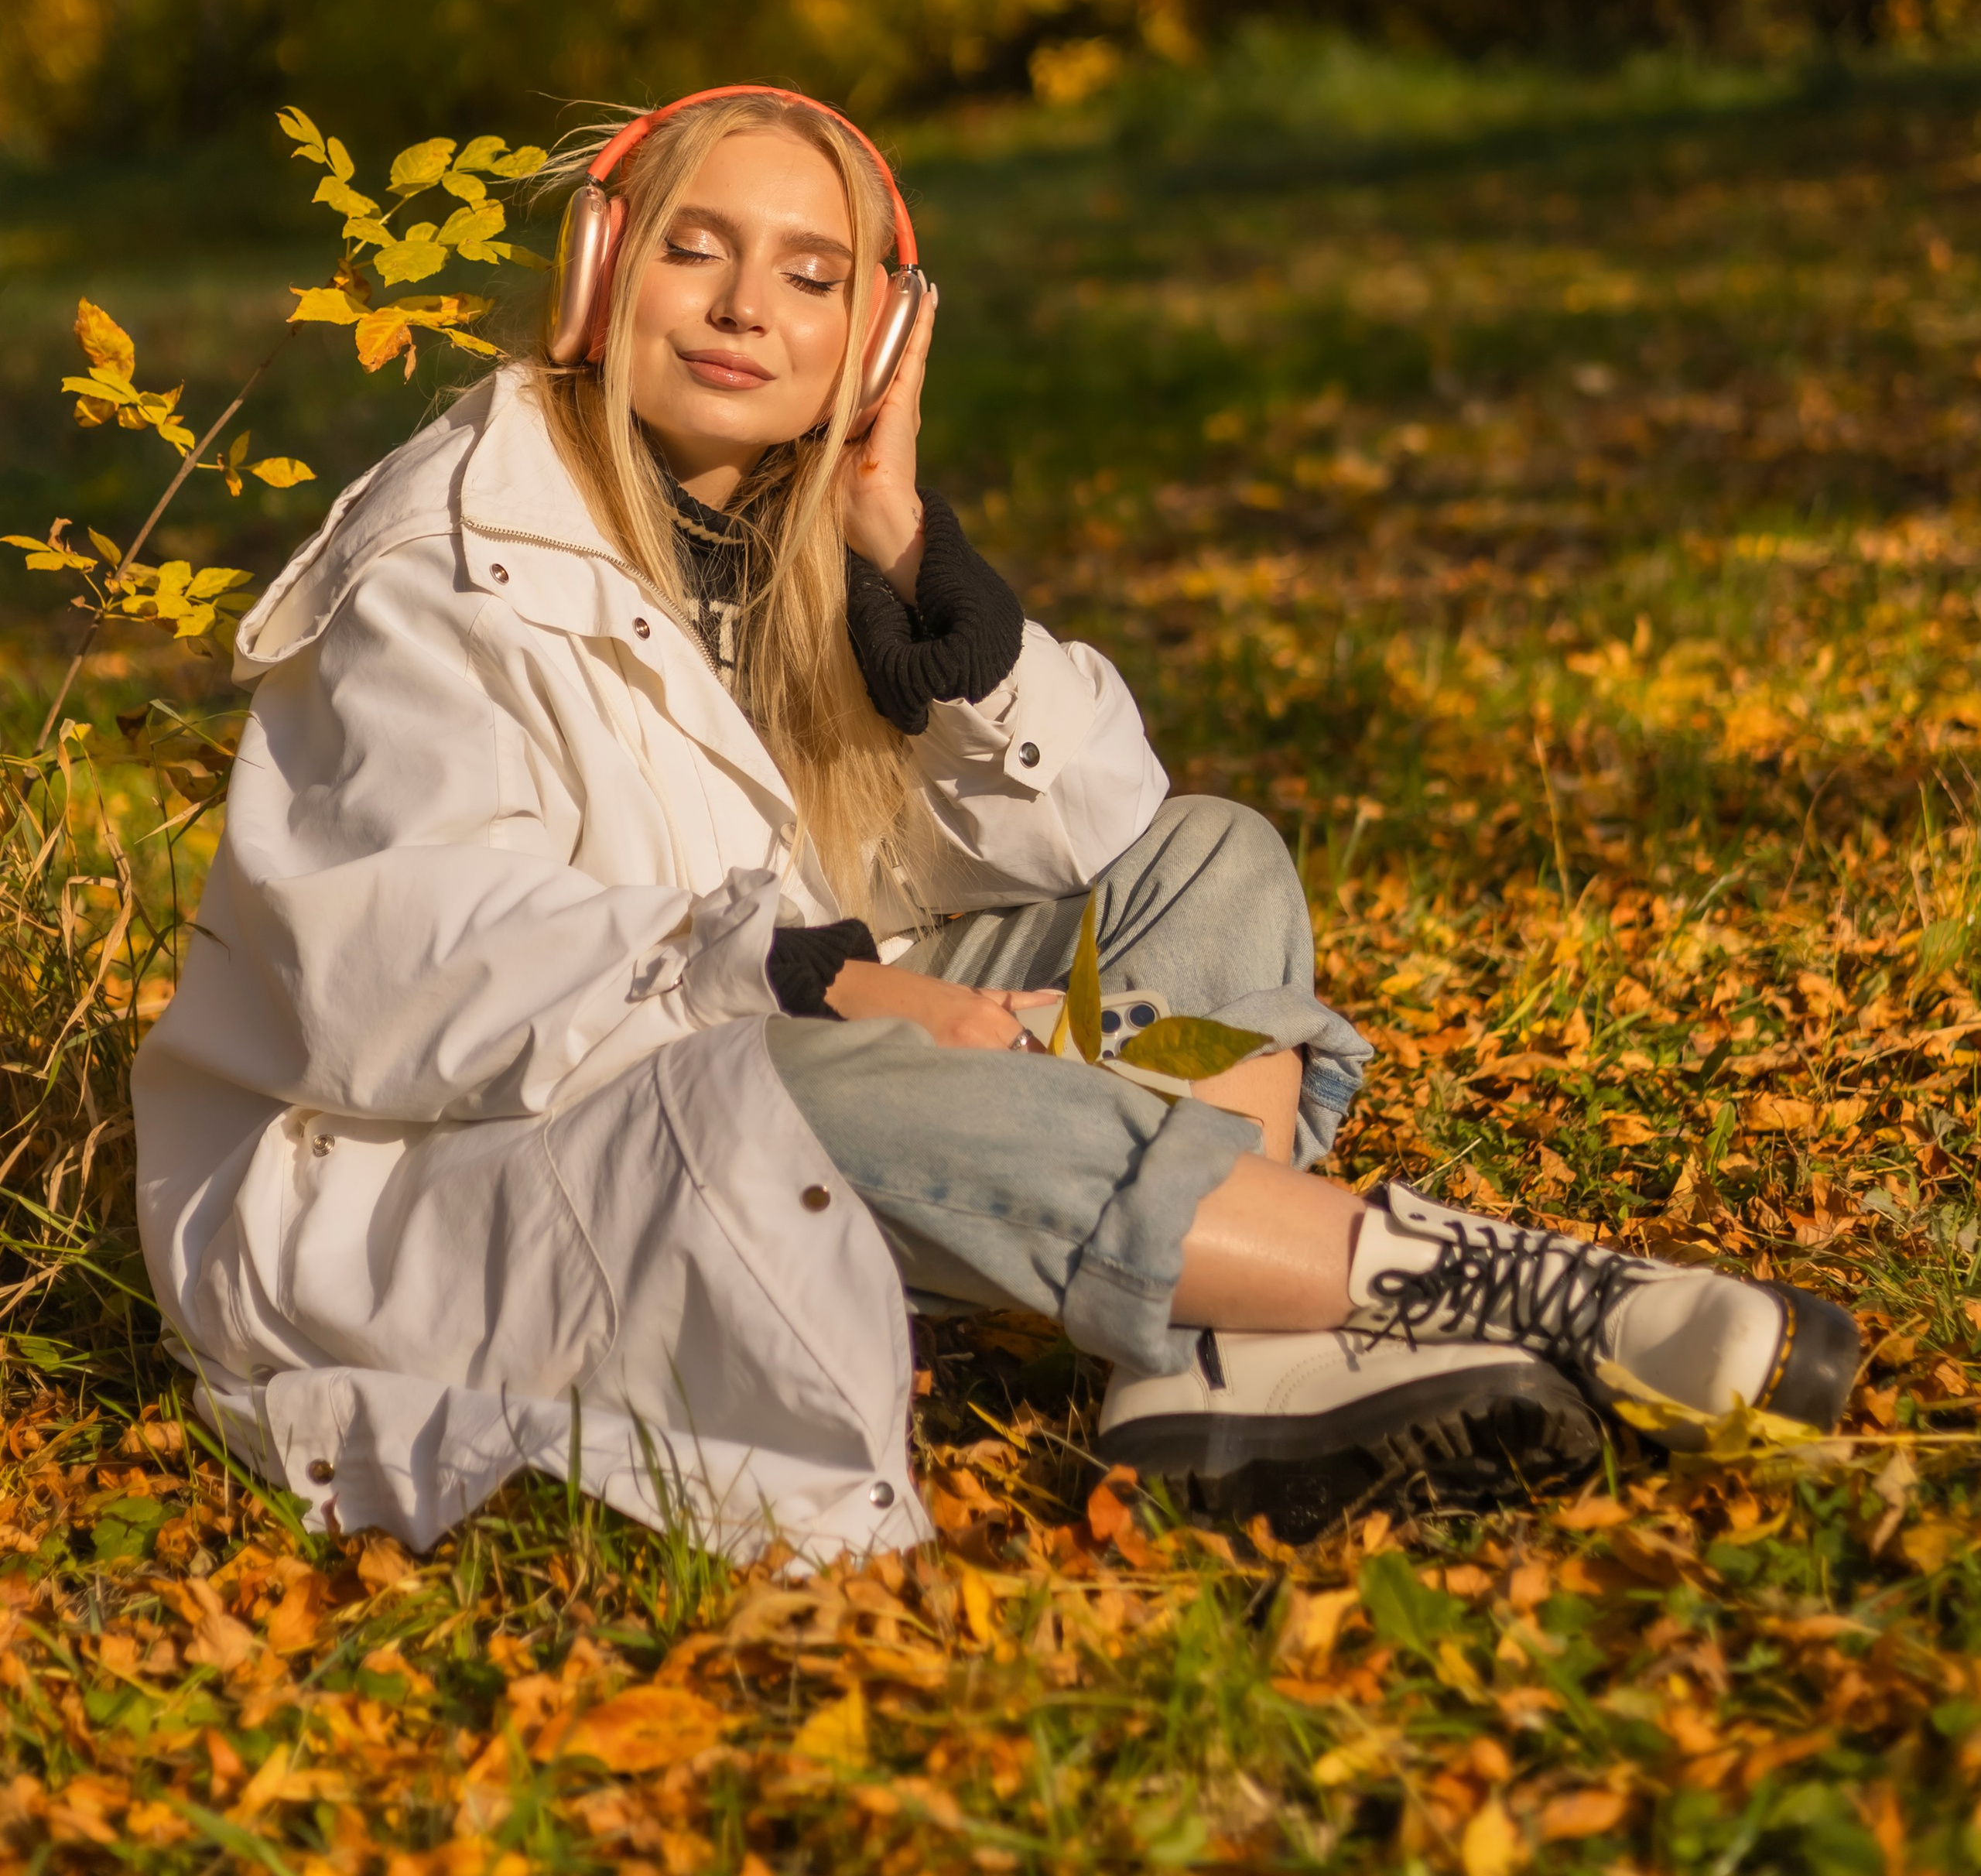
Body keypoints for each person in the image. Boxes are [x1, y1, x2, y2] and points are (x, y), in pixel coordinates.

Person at [132, 89, 1860, 1559]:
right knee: (798, 1077)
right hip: (465, 1169)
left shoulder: (791, 541)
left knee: (1206, 855)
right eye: (693, 247)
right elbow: (403, 968)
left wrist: (901, 548)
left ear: (875, 336)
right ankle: (1496, 1289)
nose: (745, 307)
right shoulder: (454, 557)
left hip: (725, 1060)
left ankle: (1207, 1371)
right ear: (598, 274)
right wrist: (814, 975)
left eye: (812, 277)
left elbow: (1089, 823)